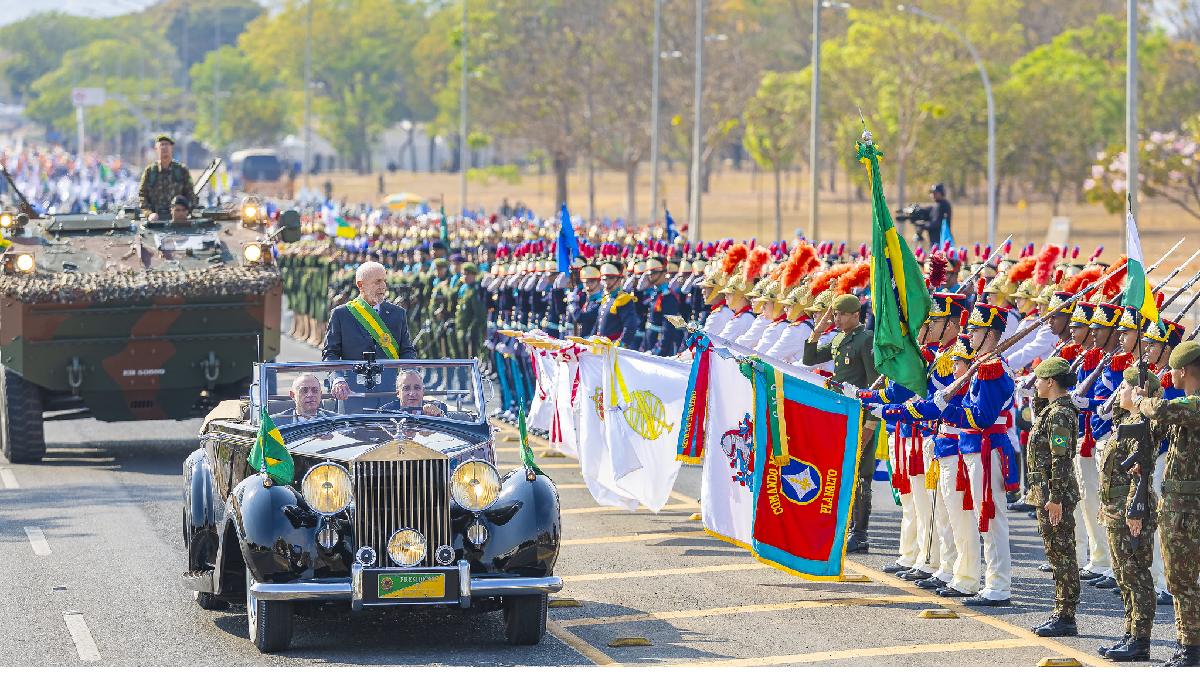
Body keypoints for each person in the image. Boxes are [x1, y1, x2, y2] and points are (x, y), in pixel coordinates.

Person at [1132, 340, 1200, 666]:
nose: (1170, 373)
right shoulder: (1186, 406)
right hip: (1182, 505)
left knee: (1182, 581)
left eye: (1172, 369)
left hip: (1187, 508)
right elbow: (1158, 426)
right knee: (1183, 580)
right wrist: (1152, 394)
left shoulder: (1194, 406)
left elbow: (1160, 411)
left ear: (1184, 371)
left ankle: (1189, 649)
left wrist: (1144, 400)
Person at [803, 293, 878, 553]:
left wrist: (870, 424)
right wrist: (818, 330)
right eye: (835, 314)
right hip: (840, 415)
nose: (837, 318)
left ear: (855, 314)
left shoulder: (865, 340)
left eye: (841, 314)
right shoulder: (838, 337)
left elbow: (874, 384)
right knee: (842, 470)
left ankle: (861, 534)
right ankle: (844, 527)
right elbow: (809, 359)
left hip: (859, 415)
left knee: (861, 475)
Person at [1098, 368, 1163, 662]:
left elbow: (1142, 472)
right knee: (1124, 575)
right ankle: (1129, 631)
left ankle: (1140, 639)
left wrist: (1135, 510)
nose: (1120, 391)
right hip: (1115, 509)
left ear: (1140, 393)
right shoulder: (1126, 420)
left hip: (1131, 510)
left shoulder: (1143, 426)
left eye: (1125, 386)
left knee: (1136, 575)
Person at [1024, 356, 1081, 637]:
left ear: (1050, 382)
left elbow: (1061, 458)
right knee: (1056, 553)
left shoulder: (1059, 414)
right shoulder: (1051, 409)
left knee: (1062, 555)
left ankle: (1066, 615)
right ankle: (1061, 612)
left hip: (1054, 494)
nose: (1034, 385)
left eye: (1038, 380)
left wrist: (1056, 497)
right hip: (1045, 492)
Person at [323, 261, 418, 400]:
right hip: (352, 393)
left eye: (384, 281)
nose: (383, 286)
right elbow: (330, 353)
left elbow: (407, 350)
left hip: (390, 393)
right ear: (361, 285)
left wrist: (409, 374)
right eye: (377, 282)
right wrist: (337, 379)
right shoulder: (341, 314)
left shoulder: (398, 313)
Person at [138, 135, 195, 220]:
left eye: (167, 144)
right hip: (155, 220)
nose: (164, 147)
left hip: (178, 220)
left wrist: (186, 211)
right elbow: (142, 196)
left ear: (171, 148)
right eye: (161, 145)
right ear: (156, 149)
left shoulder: (181, 170)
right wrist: (148, 214)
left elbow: (190, 195)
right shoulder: (150, 171)